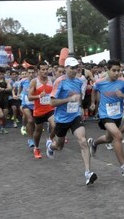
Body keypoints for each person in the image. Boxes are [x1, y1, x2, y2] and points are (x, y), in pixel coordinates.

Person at [46, 57, 97, 185]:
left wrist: (79, 108)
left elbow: (78, 97)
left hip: (74, 116)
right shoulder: (60, 81)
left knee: (83, 141)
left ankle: (87, 172)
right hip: (62, 119)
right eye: (72, 68)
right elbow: (52, 102)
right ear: (66, 68)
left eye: (76, 68)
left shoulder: (79, 82)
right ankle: (50, 146)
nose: (75, 70)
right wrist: (68, 100)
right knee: (59, 146)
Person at [87, 59, 124, 177]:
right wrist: (93, 102)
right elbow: (94, 89)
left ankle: (94, 143)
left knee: (109, 138)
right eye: (114, 70)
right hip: (105, 115)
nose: (117, 73)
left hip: (117, 115)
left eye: (119, 70)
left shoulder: (123, 82)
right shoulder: (100, 82)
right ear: (107, 70)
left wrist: (122, 95)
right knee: (118, 136)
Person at [28, 63, 55, 159]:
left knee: (55, 125)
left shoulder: (52, 80)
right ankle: (36, 147)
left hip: (50, 109)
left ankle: (50, 140)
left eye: (46, 69)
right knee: (38, 131)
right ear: (38, 71)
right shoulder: (34, 82)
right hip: (38, 111)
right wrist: (39, 96)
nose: (45, 71)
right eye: (43, 69)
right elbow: (29, 97)